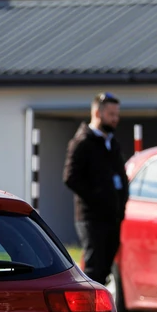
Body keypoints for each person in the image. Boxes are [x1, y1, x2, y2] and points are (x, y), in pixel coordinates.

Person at [63, 92, 128, 286]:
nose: (115, 119)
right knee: (94, 268)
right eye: (111, 114)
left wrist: (120, 205)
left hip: (113, 217)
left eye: (117, 115)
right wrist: (98, 198)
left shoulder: (112, 144)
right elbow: (70, 178)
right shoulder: (82, 142)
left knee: (106, 268)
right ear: (97, 113)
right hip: (92, 218)